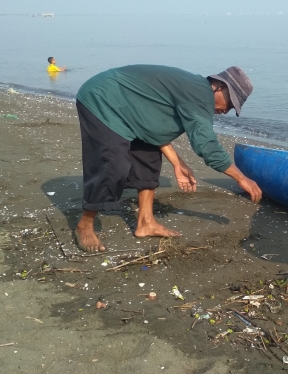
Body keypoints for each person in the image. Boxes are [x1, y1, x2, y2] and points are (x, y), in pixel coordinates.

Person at [73, 64, 262, 252]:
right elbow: (207, 146)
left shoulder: (193, 90)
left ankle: (146, 222)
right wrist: (241, 178)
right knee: (113, 165)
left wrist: (178, 163)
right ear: (219, 87)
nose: (227, 110)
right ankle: (85, 225)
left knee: (149, 159)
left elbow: (154, 130)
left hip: (128, 108)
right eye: (231, 103)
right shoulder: (199, 94)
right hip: (101, 99)